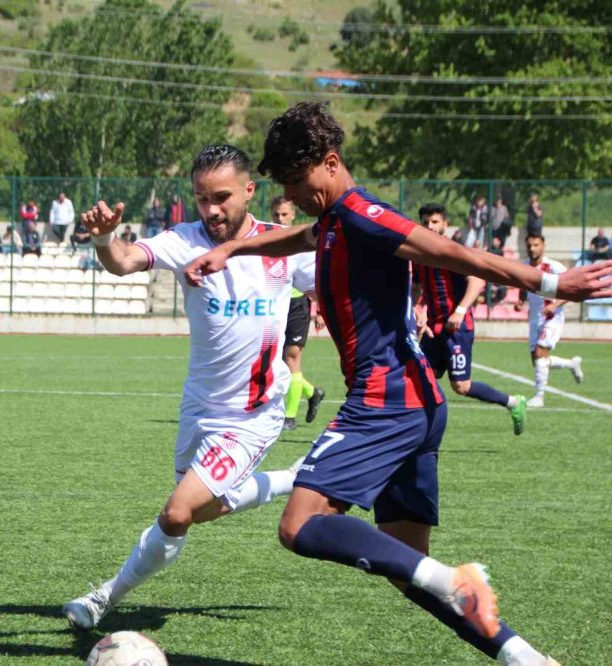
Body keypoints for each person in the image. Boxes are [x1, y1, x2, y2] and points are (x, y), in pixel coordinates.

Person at [183, 103, 608, 666]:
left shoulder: (362, 215)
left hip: (386, 402)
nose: (292, 193)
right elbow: (301, 236)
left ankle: (453, 577)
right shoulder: (336, 219)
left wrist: (549, 280)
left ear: (330, 163)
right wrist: (236, 247)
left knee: (301, 525)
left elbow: (455, 254)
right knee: (409, 574)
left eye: (297, 180)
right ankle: (523, 656)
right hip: (418, 405)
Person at [62, 144, 310, 632]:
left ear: (249, 190)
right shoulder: (186, 239)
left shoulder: (283, 247)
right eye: (201, 199)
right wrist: (105, 238)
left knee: (177, 513)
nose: (212, 210)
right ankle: (288, 480)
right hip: (199, 407)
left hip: (253, 413)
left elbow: (339, 285)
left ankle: (104, 597)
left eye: (221, 197)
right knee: (198, 509)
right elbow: (125, 260)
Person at [413, 203, 527, 434]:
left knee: (461, 386)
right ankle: (420, 429)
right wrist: (417, 308)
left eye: (434, 222)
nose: (429, 226)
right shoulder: (419, 254)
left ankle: (514, 403)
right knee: (420, 375)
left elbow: (476, 281)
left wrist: (461, 310)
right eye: (425, 222)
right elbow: (416, 286)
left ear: (444, 224)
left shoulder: (453, 251)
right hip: (434, 329)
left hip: (457, 329)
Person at [270, 197, 326, 432]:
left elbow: (315, 279)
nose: (280, 219)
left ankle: (289, 417)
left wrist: (321, 310)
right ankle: (312, 392)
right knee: (279, 362)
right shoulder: (271, 240)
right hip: (277, 306)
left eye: (284, 215)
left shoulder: (302, 242)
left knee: (292, 358)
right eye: (276, 215)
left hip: (298, 305)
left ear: (293, 215)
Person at [514, 234, 584, 408]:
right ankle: (571, 364)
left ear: (543, 245)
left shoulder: (554, 267)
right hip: (534, 317)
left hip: (552, 317)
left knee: (539, 353)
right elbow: (523, 286)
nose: (532, 249)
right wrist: (521, 300)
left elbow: (572, 290)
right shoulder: (524, 266)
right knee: (539, 360)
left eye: (536, 245)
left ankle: (539, 397)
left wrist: (554, 305)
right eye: (529, 245)